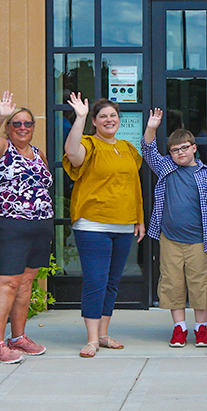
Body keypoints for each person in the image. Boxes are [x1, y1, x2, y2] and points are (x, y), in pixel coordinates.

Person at [62, 94, 145, 359]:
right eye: (103, 117)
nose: (109, 120)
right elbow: (72, 154)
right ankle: (91, 339)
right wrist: (80, 117)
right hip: (92, 225)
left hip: (123, 225)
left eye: (113, 116)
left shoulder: (127, 148)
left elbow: (135, 186)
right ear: (95, 122)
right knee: (95, 281)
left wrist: (139, 219)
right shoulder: (88, 144)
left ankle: (104, 334)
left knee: (112, 281)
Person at [0, 91, 53, 364]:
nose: (23, 128)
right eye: (16, 123)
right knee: (7, 283)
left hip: (38, 226)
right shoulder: (0, 146)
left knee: (25, 284)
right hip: (7, 226)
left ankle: (18, 338)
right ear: (9, 128)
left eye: (27, 124)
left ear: (34, 128)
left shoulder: (38, 153)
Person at [143, 109, 207, 348]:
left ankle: (201, 327)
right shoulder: (165, 168)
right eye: (174, 150)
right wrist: (152, 127)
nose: (179, 153)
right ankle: (179, 328)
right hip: (170, 238)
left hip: (199, 240)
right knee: (172, 282)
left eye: (183, 148)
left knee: (200, 283)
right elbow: (148, 150)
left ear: (193, 147)